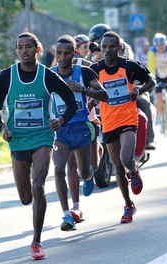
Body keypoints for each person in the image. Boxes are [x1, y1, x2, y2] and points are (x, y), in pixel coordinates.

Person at [0, 32, 78, 260]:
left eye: (29, 47)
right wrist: (2, 127)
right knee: (26, 198)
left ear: (37, 50)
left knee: (38, 185)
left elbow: (70, 102)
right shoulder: (7, 76)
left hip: (42, 138)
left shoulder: (47, 76)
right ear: (16, 51)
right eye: (20, 47)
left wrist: (61, 121)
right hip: (18, 139)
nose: (24, 51)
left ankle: (36, 242)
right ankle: (35, 232)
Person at [90, 31, 155, 223]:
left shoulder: (129, 66)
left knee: (126, 159)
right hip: (108, 123)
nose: (108, 50)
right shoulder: (95, 69)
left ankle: (134, 171)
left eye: (112, 46)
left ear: (119, 48)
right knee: (117, 166)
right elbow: (91, 88)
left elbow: (151, 80)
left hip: (127, 119)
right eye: (104, 47)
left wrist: (138, 91)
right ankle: (128, 205)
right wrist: (91, 101)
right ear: (100, 49)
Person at [51, 35, 108, 231]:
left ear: (74, 53)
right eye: (59, 53)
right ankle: (67, 215)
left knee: (84, 172)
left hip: (82, 128)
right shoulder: (50, 74)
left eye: (67, 53)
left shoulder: (83, 71)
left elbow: (104, 95)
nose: (62, 57)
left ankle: (91, 172)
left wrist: (82, 90)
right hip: (61, 130)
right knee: (59, 168)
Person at [89, 23, 157, 150]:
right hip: (104, 90)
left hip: (130, 86)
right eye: (98, 44)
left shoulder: (123, 47)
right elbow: (90, 69)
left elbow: (126, 65)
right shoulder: (94, 50)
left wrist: (138, 91)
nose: (105, 49)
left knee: (145, 103)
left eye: (110, 46)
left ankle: (149, 138)